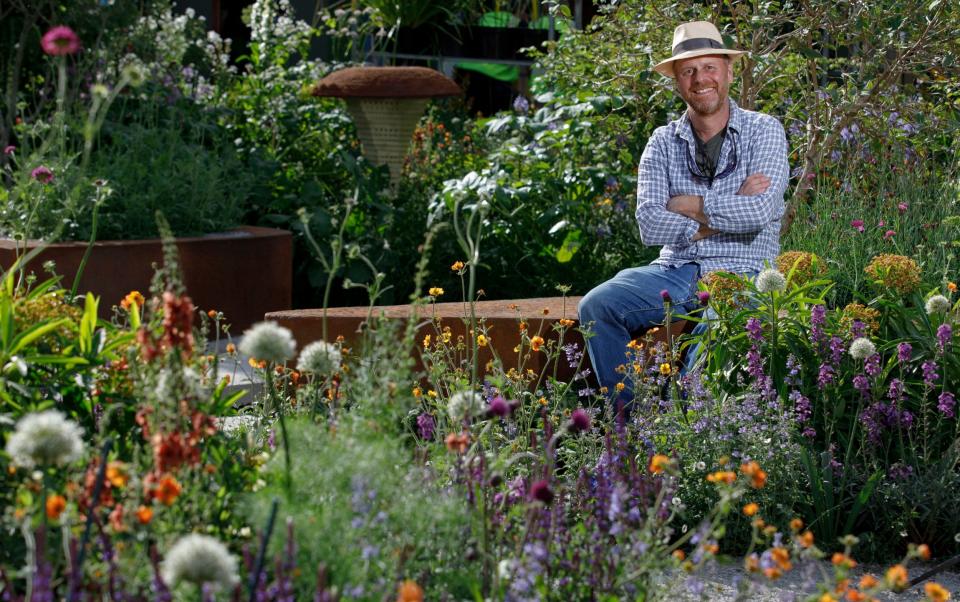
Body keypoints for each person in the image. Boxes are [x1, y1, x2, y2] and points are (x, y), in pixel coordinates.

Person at [577, 21, 789, 406]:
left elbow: (759, 211)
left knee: (713, 339)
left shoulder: (764, 131)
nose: (700, 79)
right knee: (596, 305)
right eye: (688, 70)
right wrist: (726, 211)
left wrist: (690, 205)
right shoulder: (662, 141)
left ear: (728, 70)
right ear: (677, 80)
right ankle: (631, 430)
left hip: (742, 273)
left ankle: (687, 445)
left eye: (709, 67)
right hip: (674, 270)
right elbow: (649, 223)